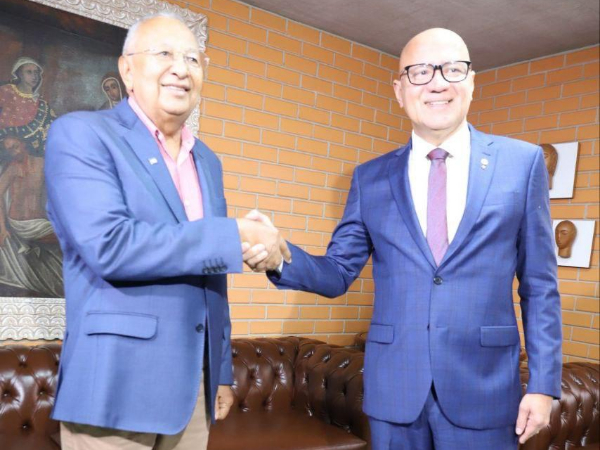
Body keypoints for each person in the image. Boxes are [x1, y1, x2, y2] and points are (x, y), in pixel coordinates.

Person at [244, 28, 561, 450]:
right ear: (399, 90)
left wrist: (543, 384)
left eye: (452, 69)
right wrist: (279, 257)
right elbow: (337, 272)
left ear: (471, 82)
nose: (437, 82)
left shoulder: (522, 164)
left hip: (483, 389)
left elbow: (540, 286)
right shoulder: (370, 178)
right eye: (420, 71)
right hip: (395, 392)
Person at [45, 13, 289, 450]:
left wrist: (219, 372)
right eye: (165, 54)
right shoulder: (82, 134)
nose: (181, 68)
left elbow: (211, 277)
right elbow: (111, 246)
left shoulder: (207, 161)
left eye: (193, 59)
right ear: (127, 70)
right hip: (114, 386)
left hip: (193, 391)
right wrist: (235, 235)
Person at [0, 135, 63, 297]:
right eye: (9, 150)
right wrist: (3, 228)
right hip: (21, 224)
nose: (14, 152)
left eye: (15, 146)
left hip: (41, 221)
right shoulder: (13, 168)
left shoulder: (43, 164)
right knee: (68, 238)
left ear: (23, 143)